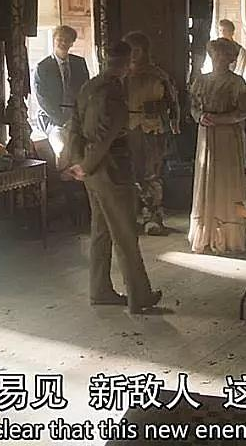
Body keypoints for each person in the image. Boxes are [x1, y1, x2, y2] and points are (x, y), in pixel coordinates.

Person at [62, 40, 162, 313]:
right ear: (128, 63)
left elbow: (74, 126)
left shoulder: (89, 86)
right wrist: (87, 164)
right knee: (125, 234)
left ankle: (100, 290)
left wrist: (77, 162)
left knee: (101, 232)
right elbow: (106, 137)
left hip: (91, 172)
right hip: (112, 170)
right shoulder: (114, 92)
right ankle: (139, 296)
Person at [189, 38, 246, 254]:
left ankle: (228, 234)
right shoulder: (201, 80)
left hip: (227, 136)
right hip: (206, 134)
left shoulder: (237, 83)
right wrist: (200, 116)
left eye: (223, 55)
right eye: (215, 54)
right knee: (206, 175)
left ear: (230, 58)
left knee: (226, 180)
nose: (218, 59)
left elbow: (244, 111)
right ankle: (205, 231)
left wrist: (221, 119)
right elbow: (193, 106)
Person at [124, 32, 181, 236]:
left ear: (144, 51)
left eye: (137, 50)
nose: (133, 54)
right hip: (127, 128)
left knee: (152, 173)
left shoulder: (158, 75)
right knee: (129, 172)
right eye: (130, 50)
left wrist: (173, 123)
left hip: (152, 128)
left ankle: (153, 217)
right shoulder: (121, 75)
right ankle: (129, 217)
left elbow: (173, 103)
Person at [33, 25, 90, 158]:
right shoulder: (43, 67)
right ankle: (63, 171)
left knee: (86, 146)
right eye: (60, 39)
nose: (63, 43)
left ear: (72, 43)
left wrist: (79, 117)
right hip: (52, 119)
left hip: (76, 117)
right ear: (54, 40)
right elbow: (42, 100)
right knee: (62, 146)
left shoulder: (79, 63)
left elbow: (86, 91)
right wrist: (62, 121)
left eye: (67, 40)